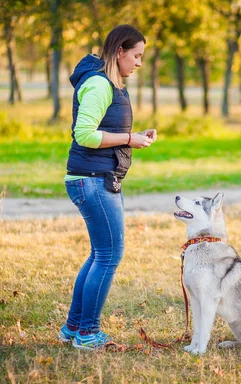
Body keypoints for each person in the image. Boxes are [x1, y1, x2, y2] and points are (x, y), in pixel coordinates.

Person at [58, 24, 157, 351]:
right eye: (136, 55)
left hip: (95, 177)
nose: (139, 63)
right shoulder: (100, 85)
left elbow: (104, 129)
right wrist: (130, 139)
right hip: (93, 180)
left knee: (100, 254)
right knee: (109, 255)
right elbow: (84, 134)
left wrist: (135, 136)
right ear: (119, 51)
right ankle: (87, 334)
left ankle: (73, 328)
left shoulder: (109, 84)